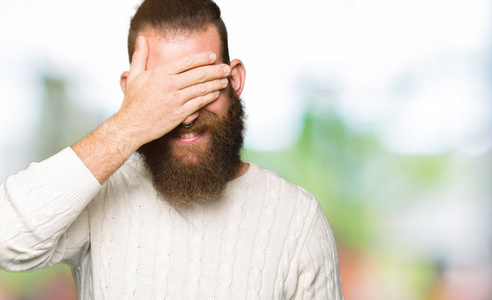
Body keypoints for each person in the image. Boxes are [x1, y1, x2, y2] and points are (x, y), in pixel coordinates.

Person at [0, 0, 344, 298]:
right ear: (132, 93)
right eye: (164, 93)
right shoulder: (101, 195)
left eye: (200, 84)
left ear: (234, 80)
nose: (187, 113)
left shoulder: (297, 221)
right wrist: (129, 123)